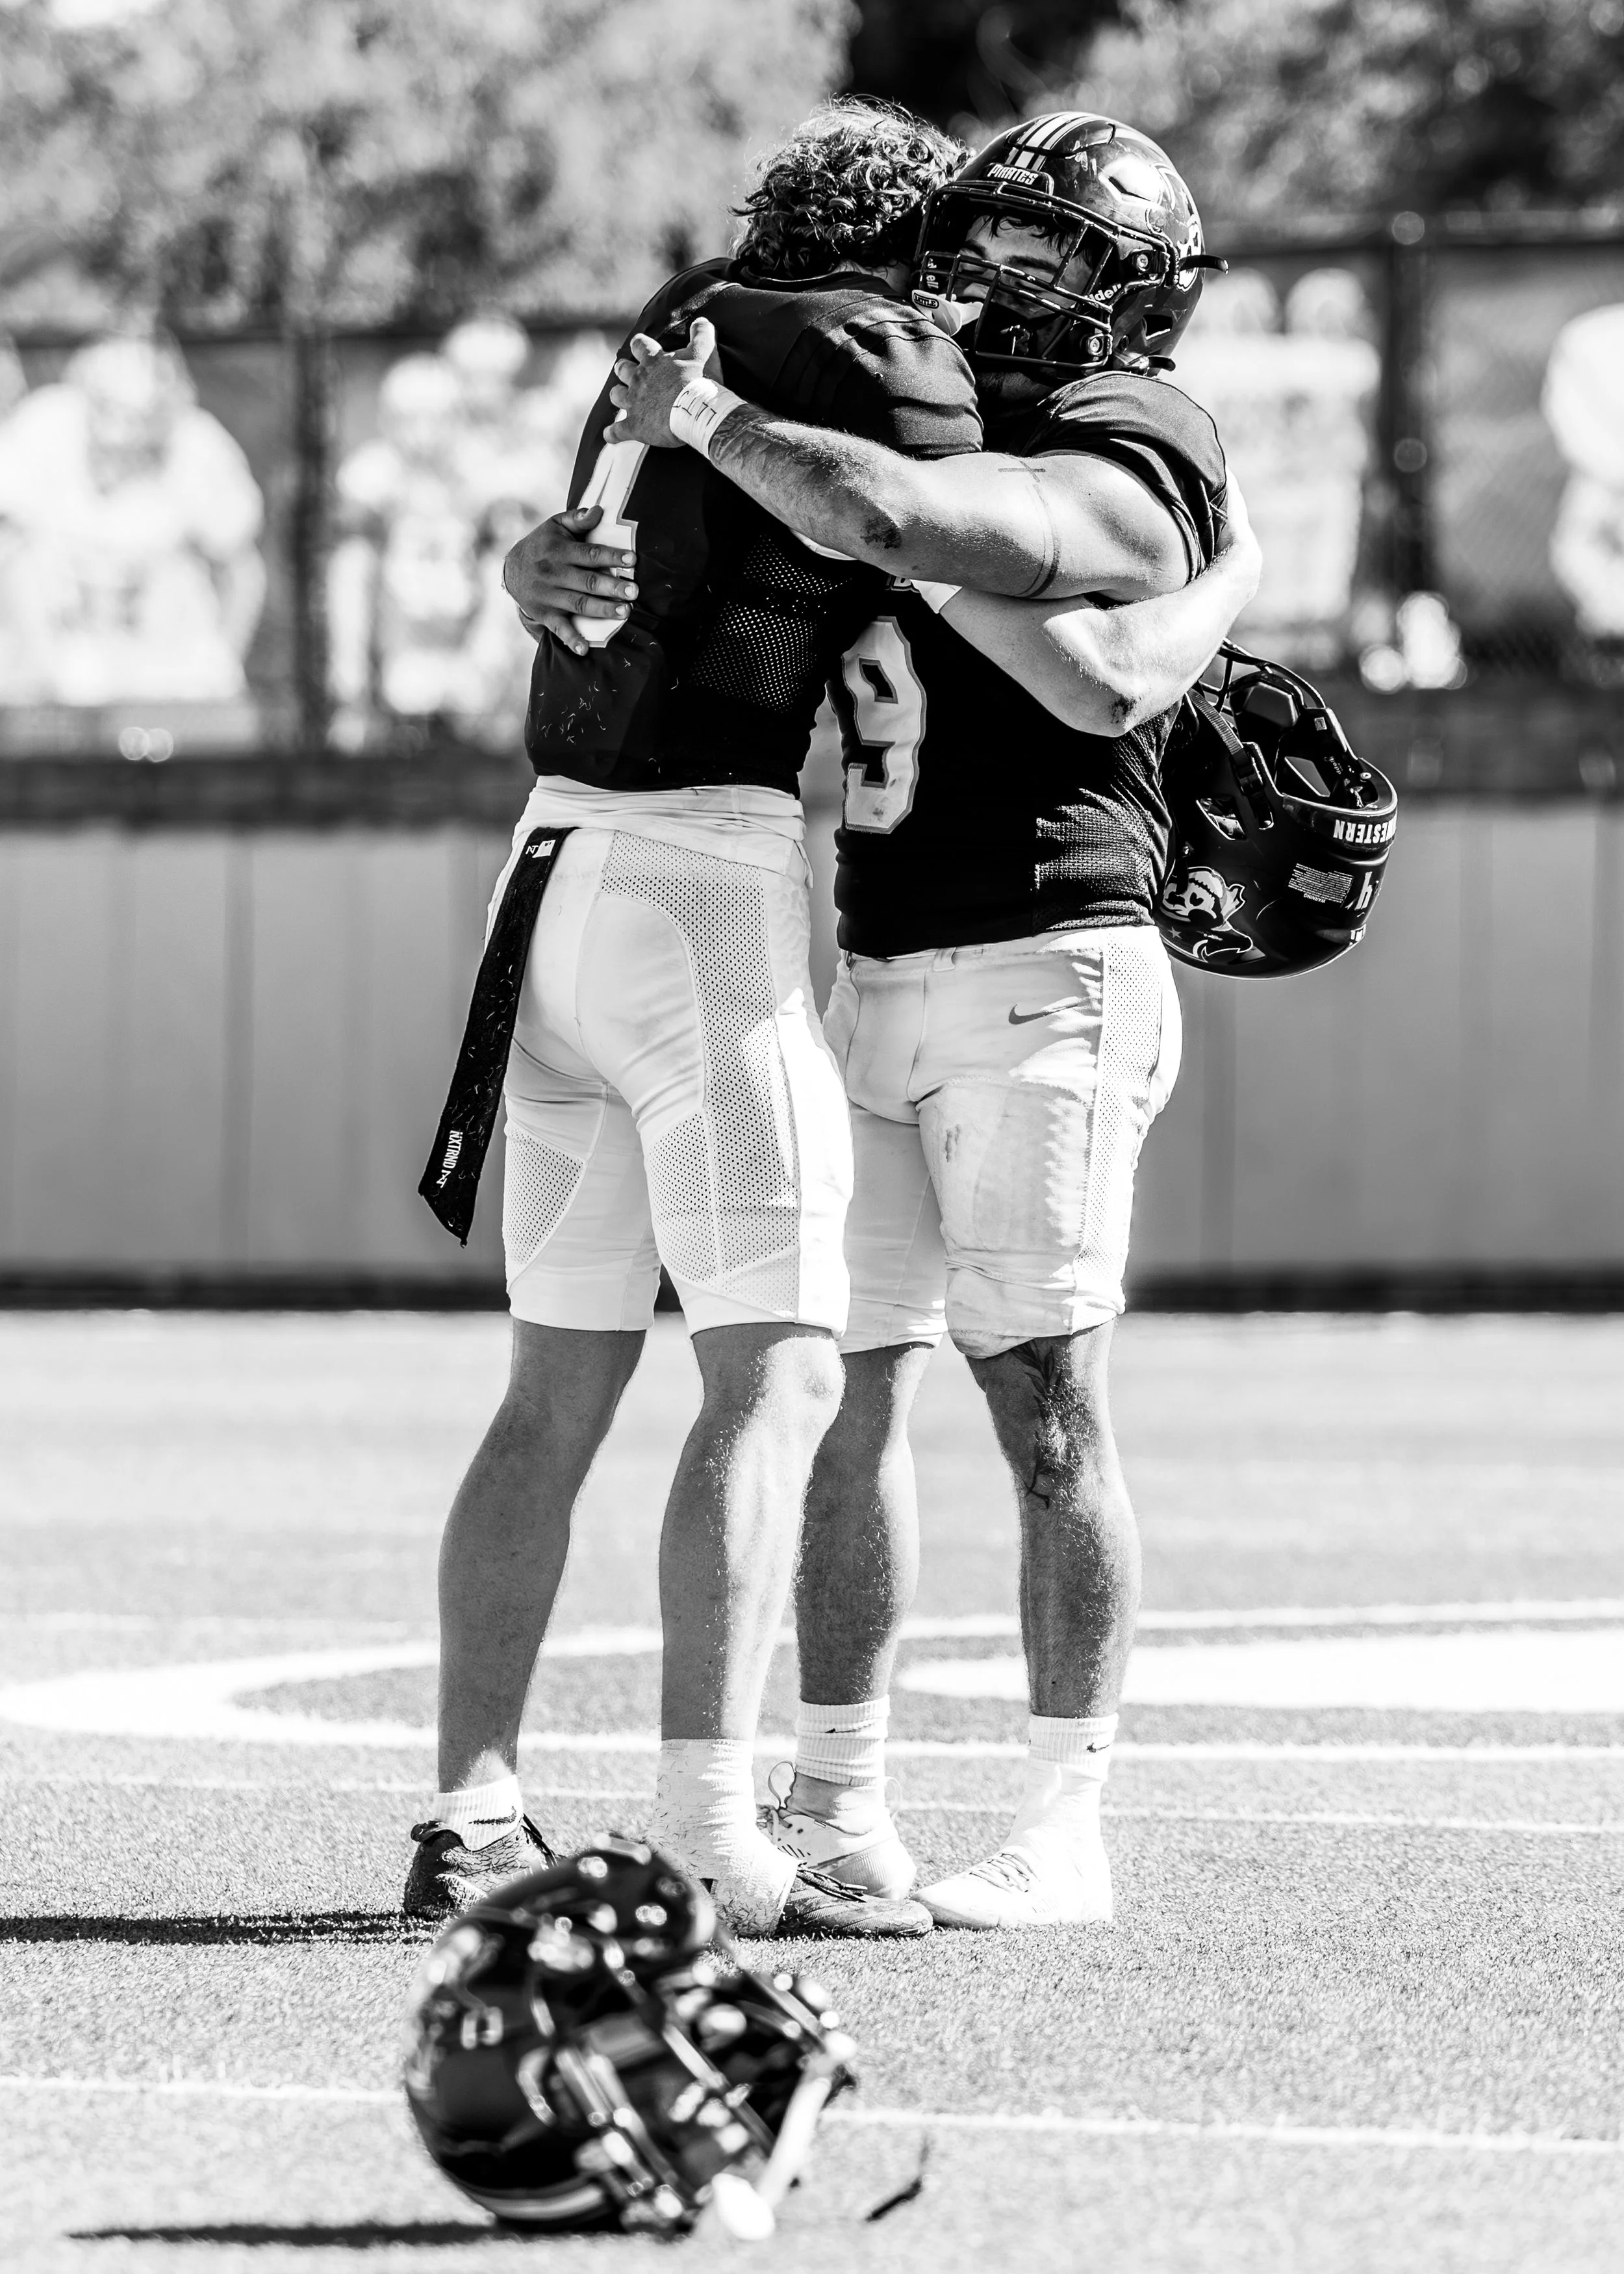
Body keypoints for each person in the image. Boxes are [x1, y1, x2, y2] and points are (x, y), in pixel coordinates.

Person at [602, 114, 1247, 1930]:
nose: (999, 279)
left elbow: (1095, 658)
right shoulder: (922, 391)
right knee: (843, 1392)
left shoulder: (1145, 435)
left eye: (1047, 254)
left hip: (1049, 951)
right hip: (875, 943)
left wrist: (740, 434)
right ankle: (839, 1798)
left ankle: (1065, 1813)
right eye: (990, 240)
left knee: (1041, 1396)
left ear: (1124, 288)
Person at [408, 100, 989, 1938]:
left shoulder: (685, 312)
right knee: (783, 1366)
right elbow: (913, 499)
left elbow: (586, 553)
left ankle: (472, 1805)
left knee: (554, 1382)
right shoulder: (859, 349)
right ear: (905, 244)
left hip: (549, 871)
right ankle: (702, 1818)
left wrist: (529, 562)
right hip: (697, 880)